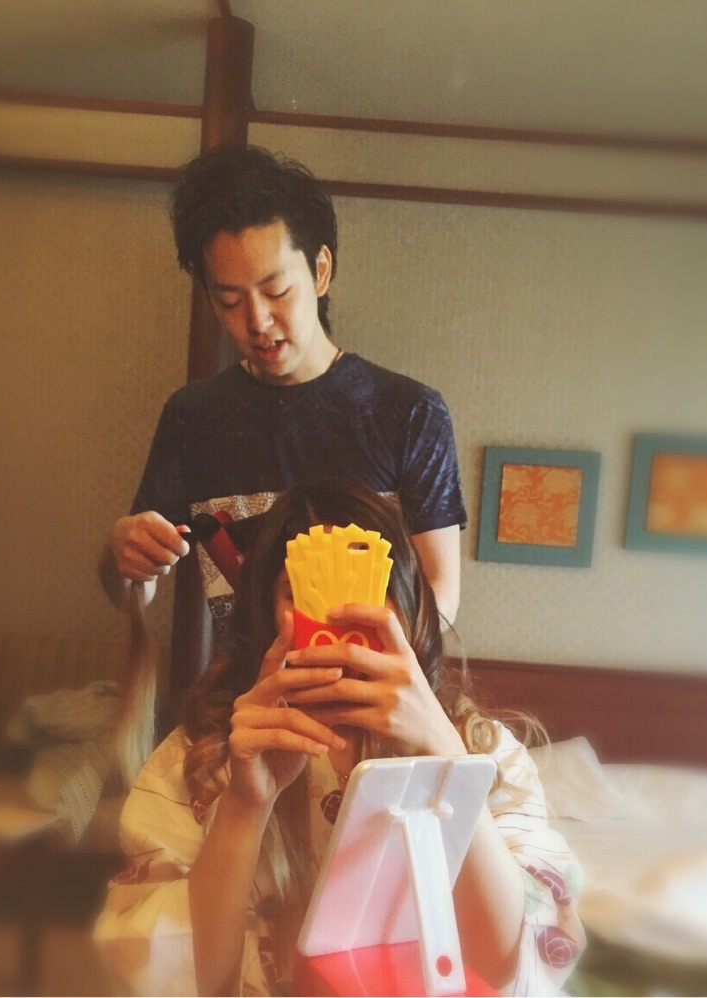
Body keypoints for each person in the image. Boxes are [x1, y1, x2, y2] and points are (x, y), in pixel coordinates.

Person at [94, 480, 584, 996]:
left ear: (410, 607)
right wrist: (244, 806)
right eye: (302, 592)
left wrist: (446, 762)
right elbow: (192, 983)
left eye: (370, 589)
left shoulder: (483, 751)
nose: (339, 618)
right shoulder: (200, 758)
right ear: (265, 613)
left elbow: (507, 969)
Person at [100, 144, 466, 640]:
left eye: (276, 291)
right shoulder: (193, 418)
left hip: (372, 683)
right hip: (248, 689)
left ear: (320, 270)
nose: (257, 321)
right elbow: (131, 591)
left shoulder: (408, 413)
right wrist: (121, 557)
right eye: (230, 300)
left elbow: (440, 598)